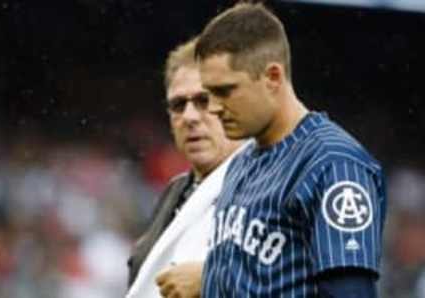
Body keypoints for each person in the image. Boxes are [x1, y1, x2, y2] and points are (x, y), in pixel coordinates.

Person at [194, 3, 387, 298]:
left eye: (225, 90)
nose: (214, 108)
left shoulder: (334, 164)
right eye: (209, 94)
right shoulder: (241, 162)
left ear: (272, 76)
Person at [126, 37, 244, 298]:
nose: (189, 117)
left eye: (204, 100)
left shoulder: (276, 189)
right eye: (178, 105)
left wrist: (214, 280)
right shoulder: (175, 191)